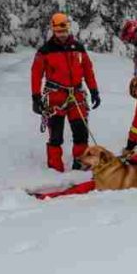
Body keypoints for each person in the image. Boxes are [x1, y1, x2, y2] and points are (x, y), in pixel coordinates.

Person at [31, 12, 101, 172]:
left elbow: (88, 70)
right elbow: (36, 74)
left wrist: (94, 90)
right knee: (56, 136)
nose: (62, 35)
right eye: (58, 32)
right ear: (53, 30)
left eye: (64, 31)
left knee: (81, 133)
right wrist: (35, 97)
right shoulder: (45, 50)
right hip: (55, 97)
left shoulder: (78, 48)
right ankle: (55, 170)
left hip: (76, 96)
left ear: (69, 29)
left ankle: (81, 165)